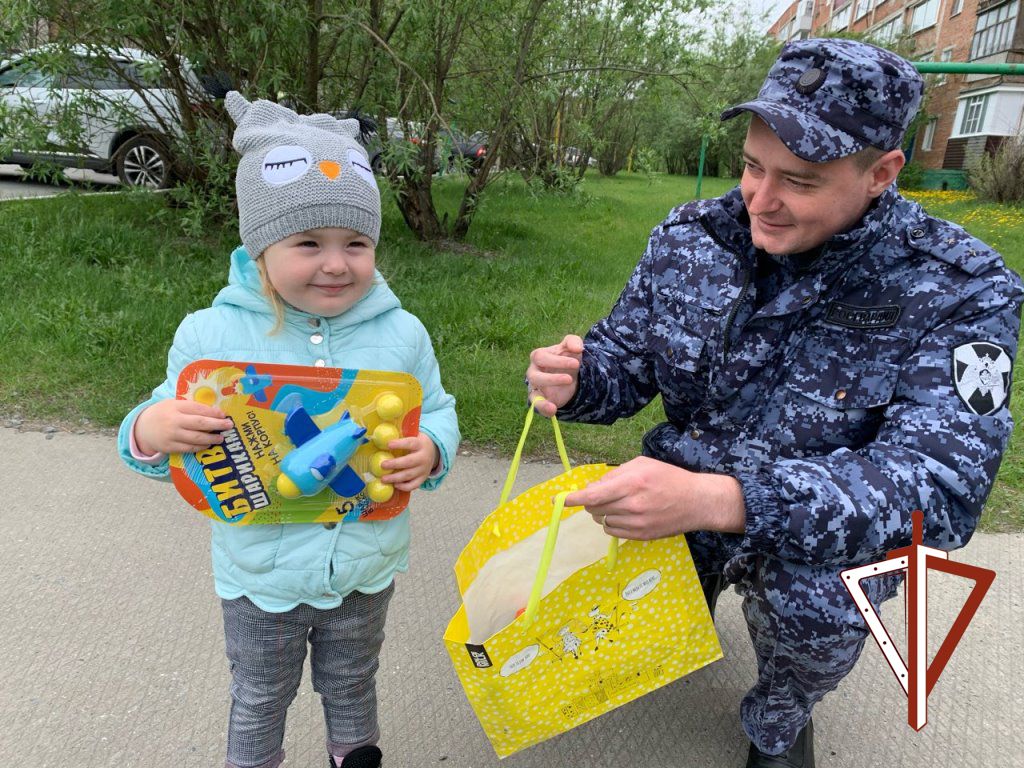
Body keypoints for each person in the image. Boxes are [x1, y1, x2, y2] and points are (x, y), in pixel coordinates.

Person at [526, 38, 1022, 768]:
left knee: (819, 607)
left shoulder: (961, 287)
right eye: (752, 166)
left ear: (881, 173)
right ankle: (674, 619)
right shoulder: (691, 238)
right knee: (580, 580)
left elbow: (940, 491)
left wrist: (725, 500)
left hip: (815, 531)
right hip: (683, 486)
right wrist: (579, 379)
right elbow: (625, 364)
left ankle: (781, 718)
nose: (761, 199)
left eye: (800, 180)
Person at [118, 92, 459, 768]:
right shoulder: (211, 337)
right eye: (308, 243)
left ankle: (354, 756)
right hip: (260, 576)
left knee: (353, 683)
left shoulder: (402, 333)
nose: (336, 264)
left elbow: (439, 411)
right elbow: (153, 440)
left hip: (364, 564)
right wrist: (154, 428)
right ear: (260, 244)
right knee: (260, 693)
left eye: (356, 244)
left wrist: (433, 450)